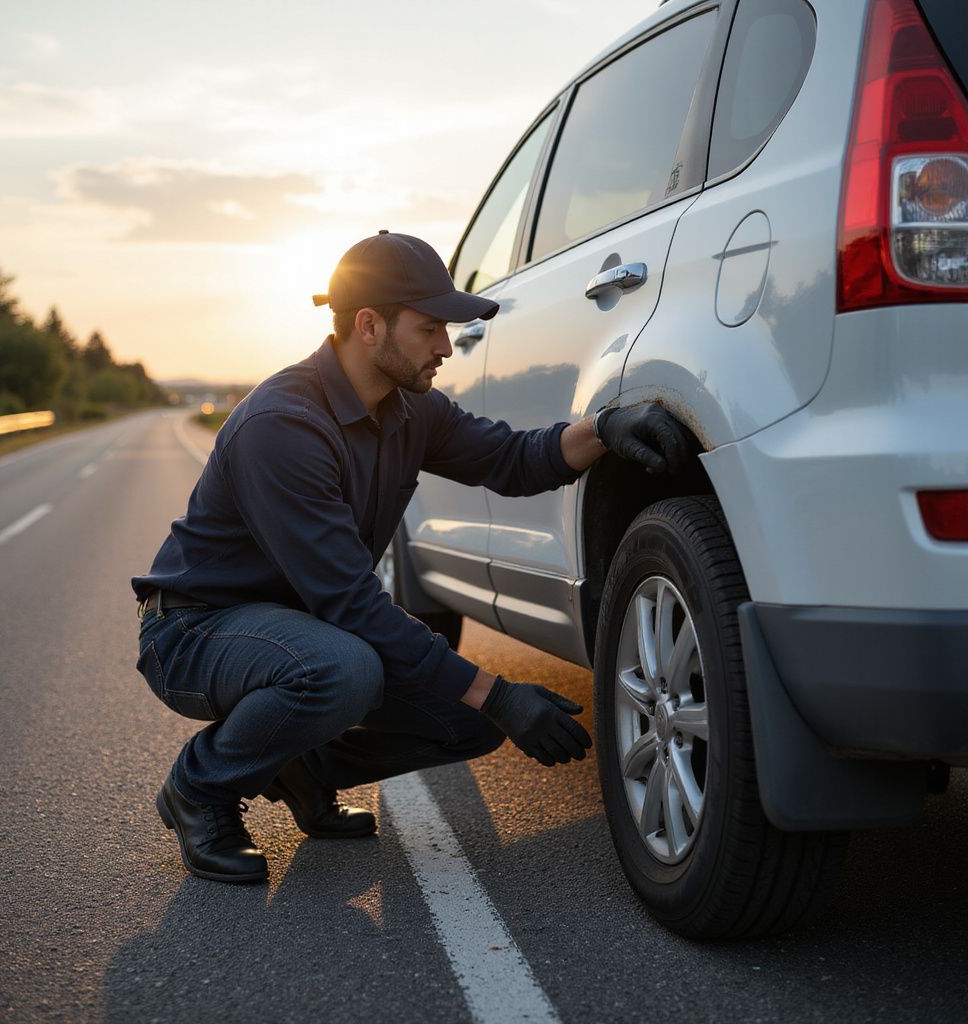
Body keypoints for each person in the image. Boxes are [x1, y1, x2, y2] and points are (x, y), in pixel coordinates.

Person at [131, 230, 689, 884]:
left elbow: (510, 459)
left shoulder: (409, 410)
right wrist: (500, 692)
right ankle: (201, 788)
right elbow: (349, 604)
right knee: (347, 668)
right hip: (197, 630)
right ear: (369, 326)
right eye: (430, 328)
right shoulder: (281, 427)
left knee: (467, 722)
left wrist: (605, 430)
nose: (447, 347)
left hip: (300, 630)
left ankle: (301, 770)